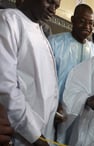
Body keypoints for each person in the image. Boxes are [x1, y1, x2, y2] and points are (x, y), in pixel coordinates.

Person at [0, 0, 60, 145]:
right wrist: (34, 135)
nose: (53, 10)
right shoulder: (9, 20)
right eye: (49, 2)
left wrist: (51, 110)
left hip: (41, 130)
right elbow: (6, 88)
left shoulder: (39, 30)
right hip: (21, 132)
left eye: (57, 6)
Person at [48, 4, 94, 102]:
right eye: (82, 21)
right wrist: (53, 104)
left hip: (80, 107)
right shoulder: (54, 42)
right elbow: (45, 78)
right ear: (73, 20)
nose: (86, 26)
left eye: (91, 23)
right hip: (54, 104)